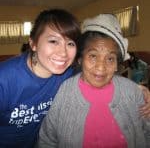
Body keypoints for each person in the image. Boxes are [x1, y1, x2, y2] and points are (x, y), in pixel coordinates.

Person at [37, 14, 150, 148]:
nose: (101, 67)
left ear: (116, 65)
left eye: (110, 59)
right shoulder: (64, 91)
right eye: (93, 56)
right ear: (80, 59)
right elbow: (47, 140)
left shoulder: (132, 92)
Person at [0, 8, 81, 148]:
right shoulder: (5, 79)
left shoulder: (67, 75)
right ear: (33, 44)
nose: (63, 52)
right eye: (54, 41)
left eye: (70, 43)